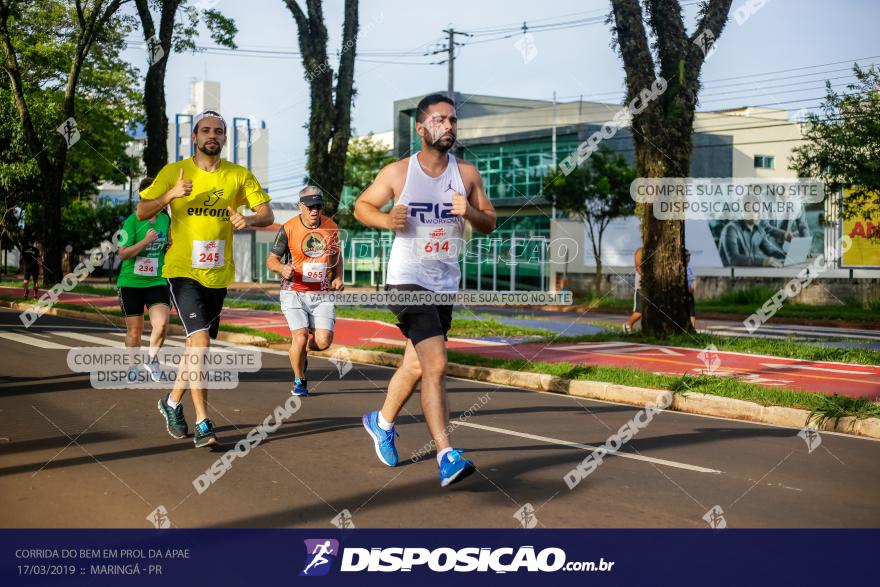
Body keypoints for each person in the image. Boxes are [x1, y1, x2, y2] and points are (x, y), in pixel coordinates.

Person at [354, 93, 496, 487]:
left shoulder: (466, 174)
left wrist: (470, 212)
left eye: (452, 120)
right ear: (421, 128)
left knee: (415, 365)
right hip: (406, 280)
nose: (448, 126)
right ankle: (446, 454)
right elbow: (361, 206)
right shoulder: (400, 172)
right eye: (440, 120)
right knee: (436, 365)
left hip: (443, 283)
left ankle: (380, 422)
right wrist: (386, 219)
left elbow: (490, 222)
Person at [137, 110, 274, 447]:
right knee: (201, 344)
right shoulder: (174, 172)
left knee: (194, 348)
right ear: (194, 137)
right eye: (206, 130)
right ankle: (203, 422)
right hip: (182, 271)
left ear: (225, 138)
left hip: (218, 274)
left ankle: (170, 403)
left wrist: (250, 221)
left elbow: (266, 212)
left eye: (219, 131)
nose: (213, 136)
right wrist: (170, 195)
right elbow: (142, 210)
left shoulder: (238, 176)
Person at [266, 186, 344, 397]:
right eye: (310, 206)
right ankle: (300, 379)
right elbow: (271, 260)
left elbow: (336, 255)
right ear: (300, 206)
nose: (314, 210)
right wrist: (282, 268)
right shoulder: (288, 228)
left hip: (322, 293)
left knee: (323, 342)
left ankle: (300, 353)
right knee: (299, 337)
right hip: (294, 291)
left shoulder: (331, 227)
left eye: (318, 206)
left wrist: (338, 277)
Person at [116, 177, 171, 383]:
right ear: (142, 198)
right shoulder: (130, 222)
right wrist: (146, 241)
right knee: (135, 330)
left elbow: (170, 242)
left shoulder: (166, 220)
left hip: (157, 280)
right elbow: (122, 253)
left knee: (162, 323)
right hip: (131, 283)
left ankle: (152, 359)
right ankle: (132, 367)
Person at [718, 218, 785, 267]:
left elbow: (770, 251)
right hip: (728, 278)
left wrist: (787, 258)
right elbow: (733, 259)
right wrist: (763, 261)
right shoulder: (731, 229)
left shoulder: (759, 229)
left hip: (748, 274)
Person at [624, 247, 643, 333]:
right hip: (641, 287)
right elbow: (638, 267)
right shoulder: (641, 251)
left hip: (653, 287)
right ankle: (628, 324)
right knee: (639, 311)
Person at [685, 248, 696, 330]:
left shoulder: (690, 266)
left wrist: (693, 287)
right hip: (682, 292)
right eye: (686, 255)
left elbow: (693, 279)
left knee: (692, 312)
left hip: (689, 292)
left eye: (689, 255)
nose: (688, 257)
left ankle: (693, 328)